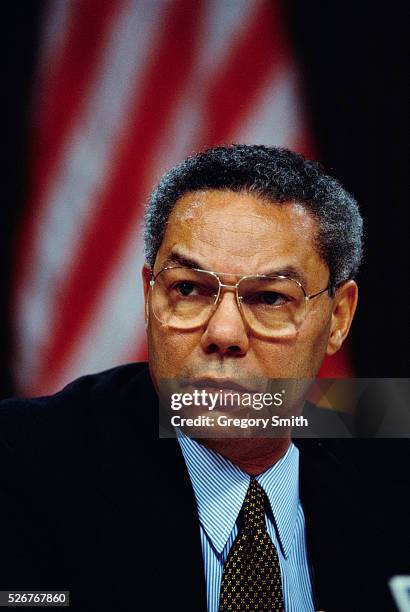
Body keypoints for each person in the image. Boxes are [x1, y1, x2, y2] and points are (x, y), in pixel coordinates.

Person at [0, 145, 408, 612]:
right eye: (189, 289)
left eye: (271, 298)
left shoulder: (388, 441)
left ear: (338, 317)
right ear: (150, 297)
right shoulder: (24, 456)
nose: (224, 333)